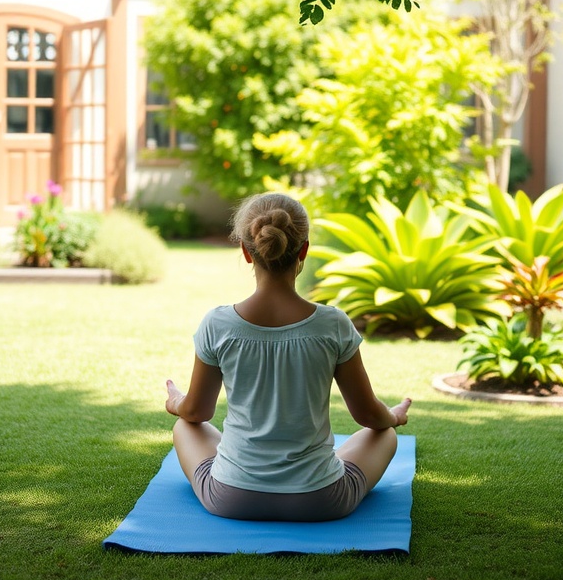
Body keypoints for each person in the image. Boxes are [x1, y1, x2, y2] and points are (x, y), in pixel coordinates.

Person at [165, 192, 411, 522]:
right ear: (304, 250)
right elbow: (369, 415)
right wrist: (392, 417)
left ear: (246, 252)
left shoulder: (217, 324)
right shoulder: (333, 324)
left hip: (232, 498)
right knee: (385, 434)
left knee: (185, 426)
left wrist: (176, 402)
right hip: (321, 500)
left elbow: (196, 412)